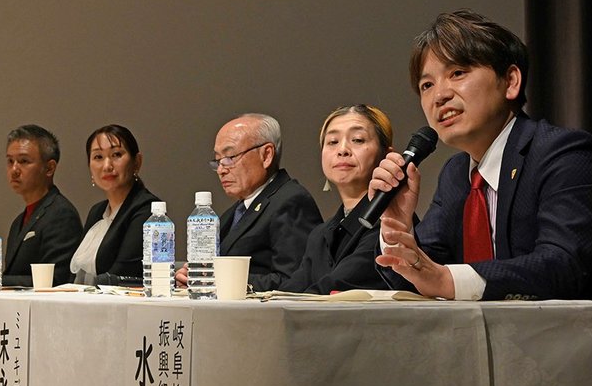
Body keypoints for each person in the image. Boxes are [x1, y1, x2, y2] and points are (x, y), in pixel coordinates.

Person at [369, 9, 592, 386]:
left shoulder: (563, 153)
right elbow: (417, 272)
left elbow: (562, 266)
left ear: (511, 81)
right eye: (426, 85)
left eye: (458, 73)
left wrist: (443, 278)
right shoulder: (456, 174)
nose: (440, 95)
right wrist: (397, 225)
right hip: (506, 365)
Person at [175, 113, 323, 292]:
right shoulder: (237, 210)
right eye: (218, 160)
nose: (221, 170)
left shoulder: (291, 201)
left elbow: (295, 281)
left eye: (230, 157)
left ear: (266, 155)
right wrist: (195, 277)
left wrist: (219, 279)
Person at [280, 105, 393, 294]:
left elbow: (338, 284)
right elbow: (289, 292)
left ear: (386, 155)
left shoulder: (391, 223)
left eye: (357, 140)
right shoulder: (320, 235)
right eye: (332, 142)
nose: (342, 150)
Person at [0, 125, 83, 286]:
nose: (14, 169)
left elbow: (55, 280)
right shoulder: (18, 222)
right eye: (10, 161)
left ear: (49, 168)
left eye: (24, 161)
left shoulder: (61, 214)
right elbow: (15, 276)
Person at [70, 124, 160, 285]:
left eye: (116, 154)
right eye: (98, 157)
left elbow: (122, 273)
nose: (107, 166)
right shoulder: (97, 211)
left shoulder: (148, 209)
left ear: (137, 162)